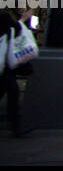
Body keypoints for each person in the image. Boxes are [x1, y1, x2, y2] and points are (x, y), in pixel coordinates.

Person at [0, 8, 34, 136]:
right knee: (12, 94)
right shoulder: (5, 18)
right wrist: (24, 19)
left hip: (5, 67)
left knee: (11, 92)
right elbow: (18, 29)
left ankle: (16, 126)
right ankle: (16, 127)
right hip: (5, 67)